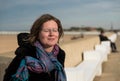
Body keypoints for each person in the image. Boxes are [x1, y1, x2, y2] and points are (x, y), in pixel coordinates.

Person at [3, 14, 67, 81]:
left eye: (55, 30)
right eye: (46, 31)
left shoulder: (60, 54)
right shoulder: (26, 54)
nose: (51, 34)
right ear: (37, 33)